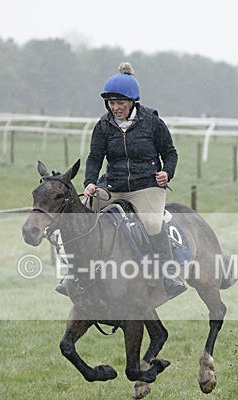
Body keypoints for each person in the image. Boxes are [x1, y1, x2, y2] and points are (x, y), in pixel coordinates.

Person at [68, 62, 186, 299]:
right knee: (82, 215)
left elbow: (170, 153)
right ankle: (73, 273)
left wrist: (167, 173)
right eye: (112, 103)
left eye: (120, 103)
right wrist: (89, 182)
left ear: (133, 101)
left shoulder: (152, 122)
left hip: (146, 186)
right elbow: (94, 157)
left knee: (153, 224)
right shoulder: (103, 125)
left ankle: (169, 274)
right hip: (113, 186)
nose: (116, 107)